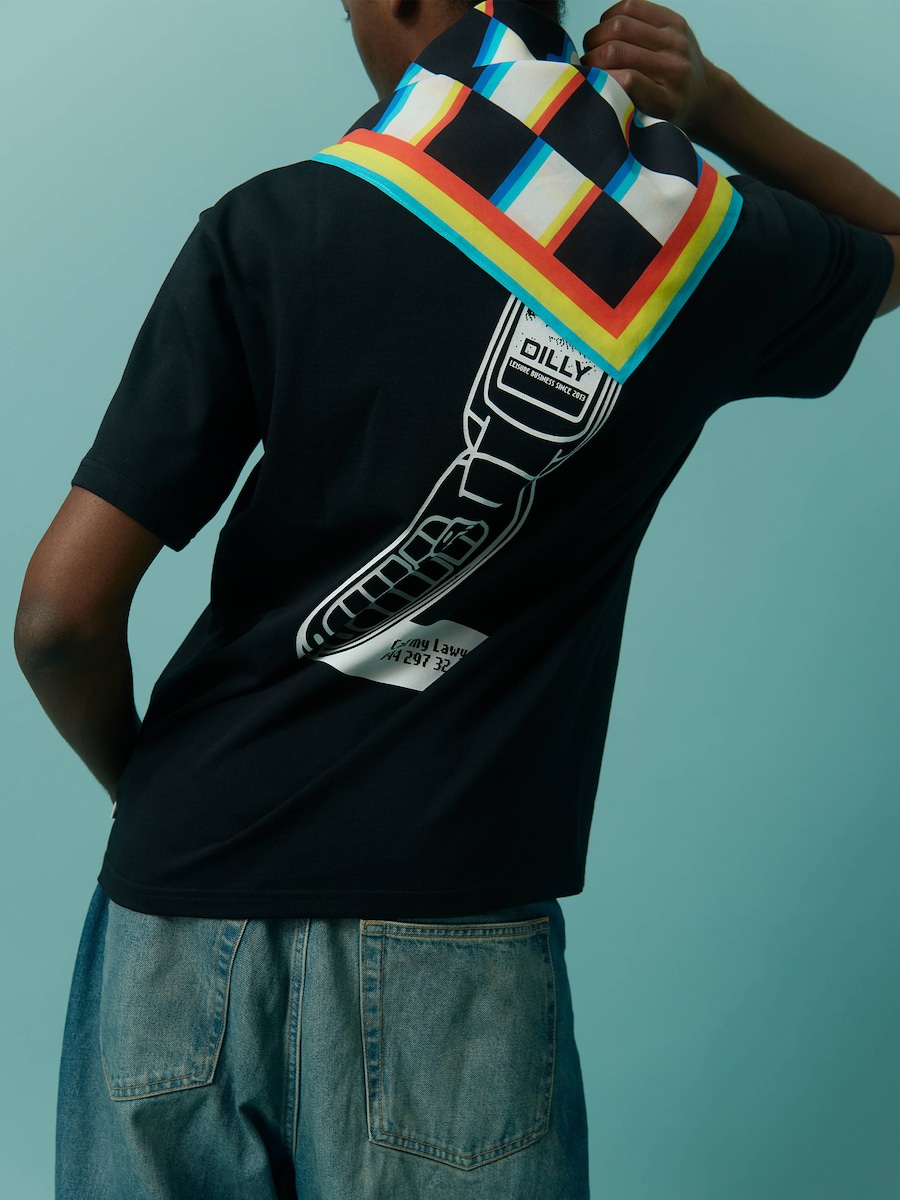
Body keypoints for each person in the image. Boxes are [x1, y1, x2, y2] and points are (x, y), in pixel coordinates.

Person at [14, 0, 899, 1196]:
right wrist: (714, 104)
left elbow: (57, 620)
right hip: (452, 928)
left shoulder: (278, 220)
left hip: (177, 915)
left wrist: (160, 801)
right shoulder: (693, 249)